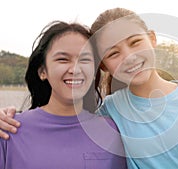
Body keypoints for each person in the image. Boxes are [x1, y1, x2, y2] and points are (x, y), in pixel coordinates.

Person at [0, 8, 178, 169]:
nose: (129, 57)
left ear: (152, 39)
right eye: (114, 53)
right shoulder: (109, 112)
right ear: (105, 65)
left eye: (135, 42)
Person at [0, 20, 126, 169]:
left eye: (85, 60)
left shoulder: (113, 131)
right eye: (62, 59)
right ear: (42, 71)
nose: (75, 69)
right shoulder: (9, 130)